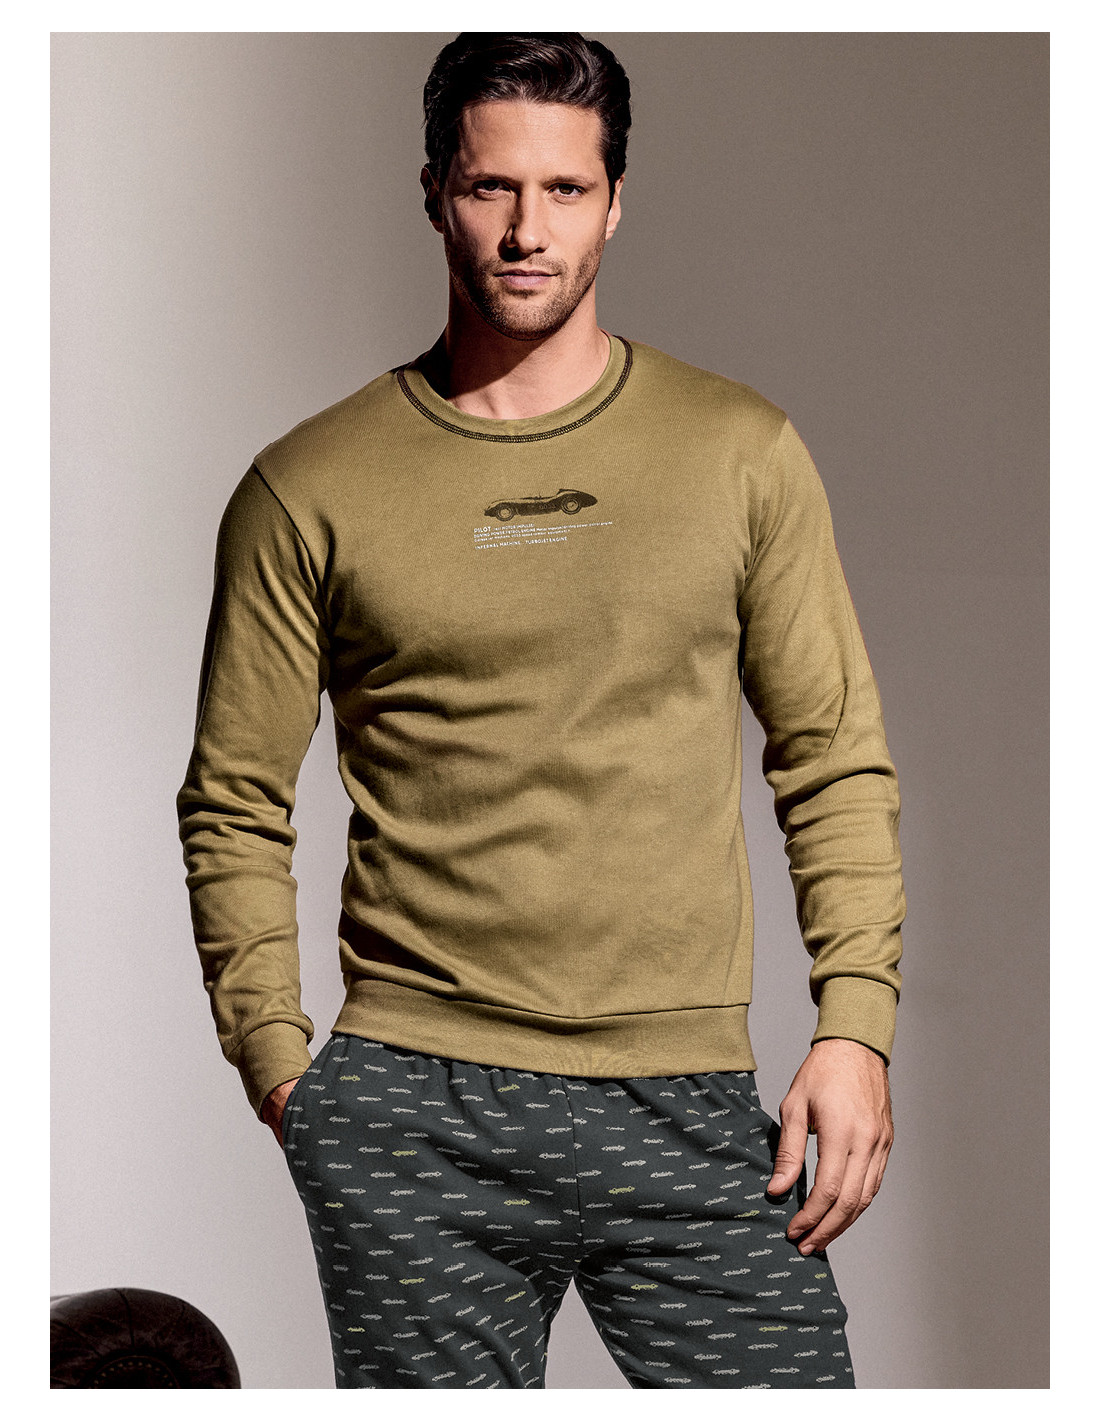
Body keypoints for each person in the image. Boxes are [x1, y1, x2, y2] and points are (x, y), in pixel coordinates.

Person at [177, 32, 905, 1390]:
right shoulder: (307, 485)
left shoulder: (740, 451)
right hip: (416, 1104)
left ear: (615, 201)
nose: (527, 230)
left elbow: (832, 760)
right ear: (433, 194)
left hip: (683, 1092)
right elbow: (233, 801)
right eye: (491, 187)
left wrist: (855, 1024)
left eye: (565, 189)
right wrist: (284, 1068)